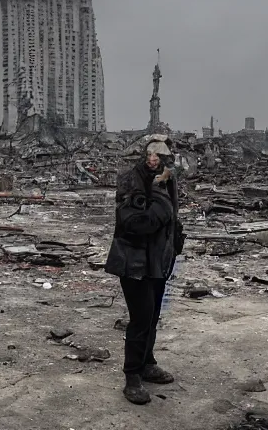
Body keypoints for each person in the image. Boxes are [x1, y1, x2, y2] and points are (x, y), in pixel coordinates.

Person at [105, 138, 183, 405]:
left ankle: (147, 363)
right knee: (141, 318)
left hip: (158, 261)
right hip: (134, 261)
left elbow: (171, 220)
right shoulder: (130, 180)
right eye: (151, 154)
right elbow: (135, 222)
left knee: (152, 318)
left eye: (161, 156)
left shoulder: (166, 179)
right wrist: (160, 196)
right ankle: (132, 377)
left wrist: (174, 246)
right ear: (142, 155)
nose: (155, 159)